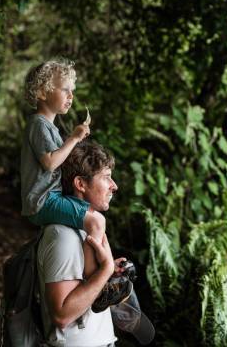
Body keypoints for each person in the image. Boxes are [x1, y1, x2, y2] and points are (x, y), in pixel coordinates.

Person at [20, 59, 125, 303]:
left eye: (72, 91)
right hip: (43, 200)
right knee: (96, 221)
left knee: (94, 216)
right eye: (65, 89)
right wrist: (75, 139)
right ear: (42, 91)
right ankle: (94, 281)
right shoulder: (39, 124)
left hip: (50, 197)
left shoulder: (50, 128)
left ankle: (107, 267)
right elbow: (49, 162)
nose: (71, 96)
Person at [36, 140, 132, 346]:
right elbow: (61, 315)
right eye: (106, 178)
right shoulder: (63, 236)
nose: (114, 186)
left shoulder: (85, 229)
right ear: (80, 184)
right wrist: (105, 270)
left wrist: (107, 271)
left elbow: (85, 285)